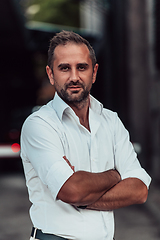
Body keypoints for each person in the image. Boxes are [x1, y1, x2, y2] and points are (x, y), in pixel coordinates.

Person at [20, 30, 151, 240]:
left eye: (82, 67)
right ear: (51, 74)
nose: (74, 77)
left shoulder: (111, 121)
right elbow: (72, 191)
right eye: (64, 68)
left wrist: (82, 193)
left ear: (94, 72)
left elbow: (139, 191)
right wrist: (116, 175)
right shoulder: (39, 125)